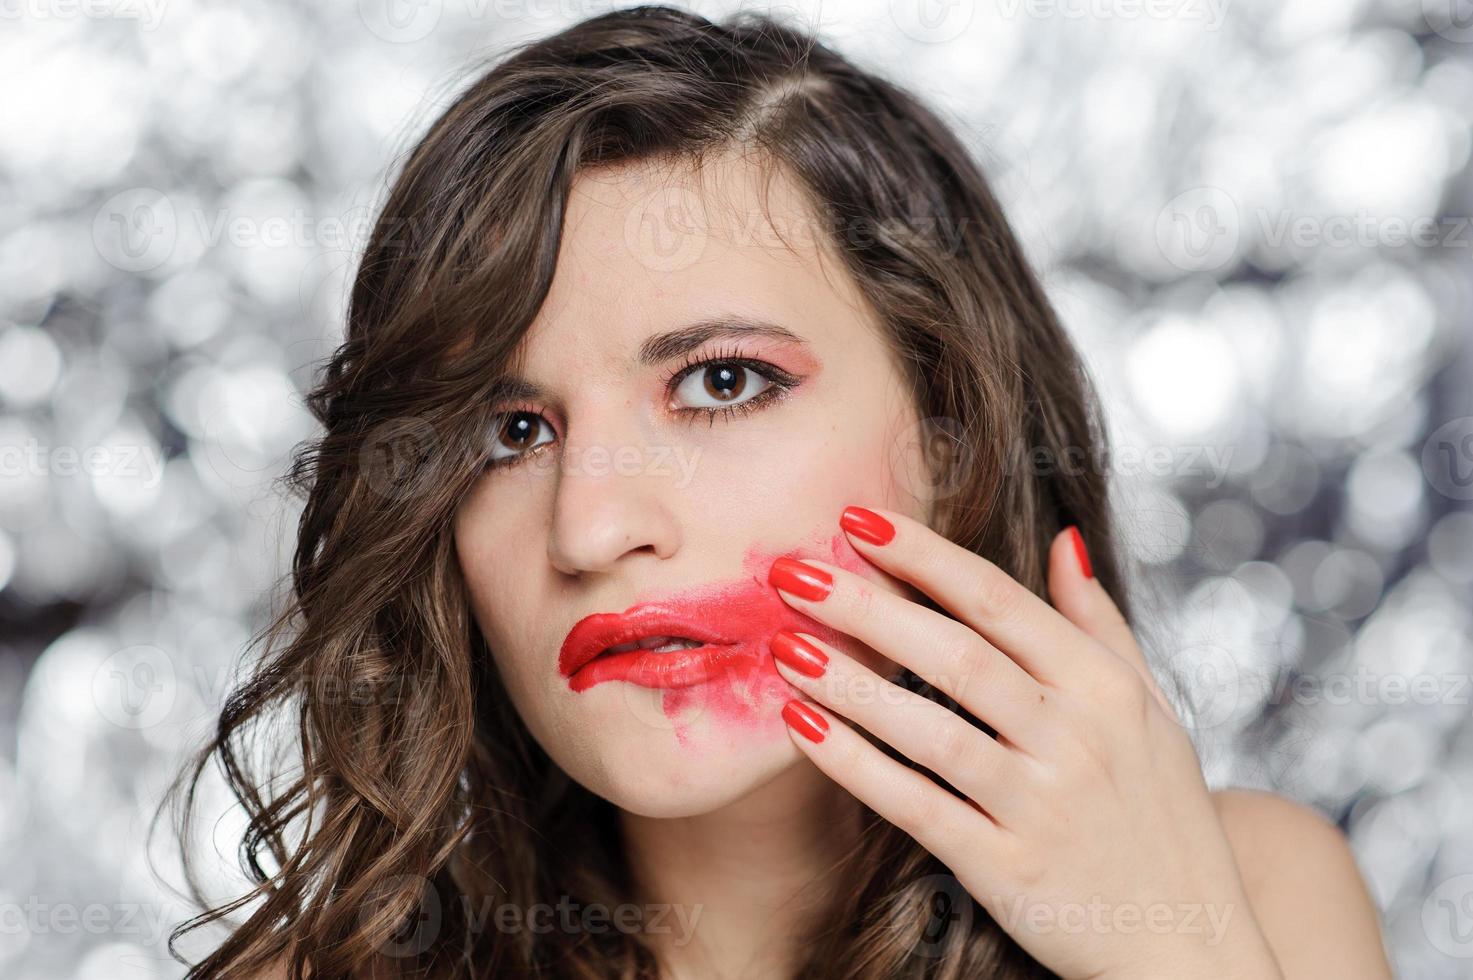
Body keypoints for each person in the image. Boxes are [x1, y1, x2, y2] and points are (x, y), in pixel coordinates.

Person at [167, 6, 1393, 978]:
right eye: (511, 430)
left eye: (722, 380)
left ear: (955, 431)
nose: (593, 526)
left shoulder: (1253, 899)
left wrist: (1166, 955)